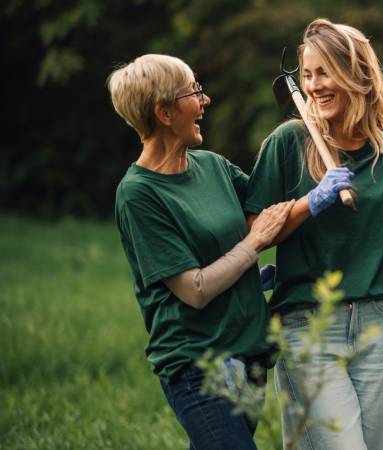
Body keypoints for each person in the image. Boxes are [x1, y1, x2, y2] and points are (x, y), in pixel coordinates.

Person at [243, 19, 383, 450]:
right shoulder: (288, 142)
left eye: (324, 73)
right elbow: (257, 234)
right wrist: (311, 202)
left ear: (357, 76)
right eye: (307, 75)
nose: (314, 86)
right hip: (309, 323)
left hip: (381, 322)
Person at [108, 54, 294, 450]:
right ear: (163, 112)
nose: (204, 100)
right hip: (198, 363)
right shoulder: (139, 193)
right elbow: (194, 289)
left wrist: (320, 190)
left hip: (249, 353)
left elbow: (268, 218)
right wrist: (252, 245)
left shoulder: (213, 166)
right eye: (194, 91)